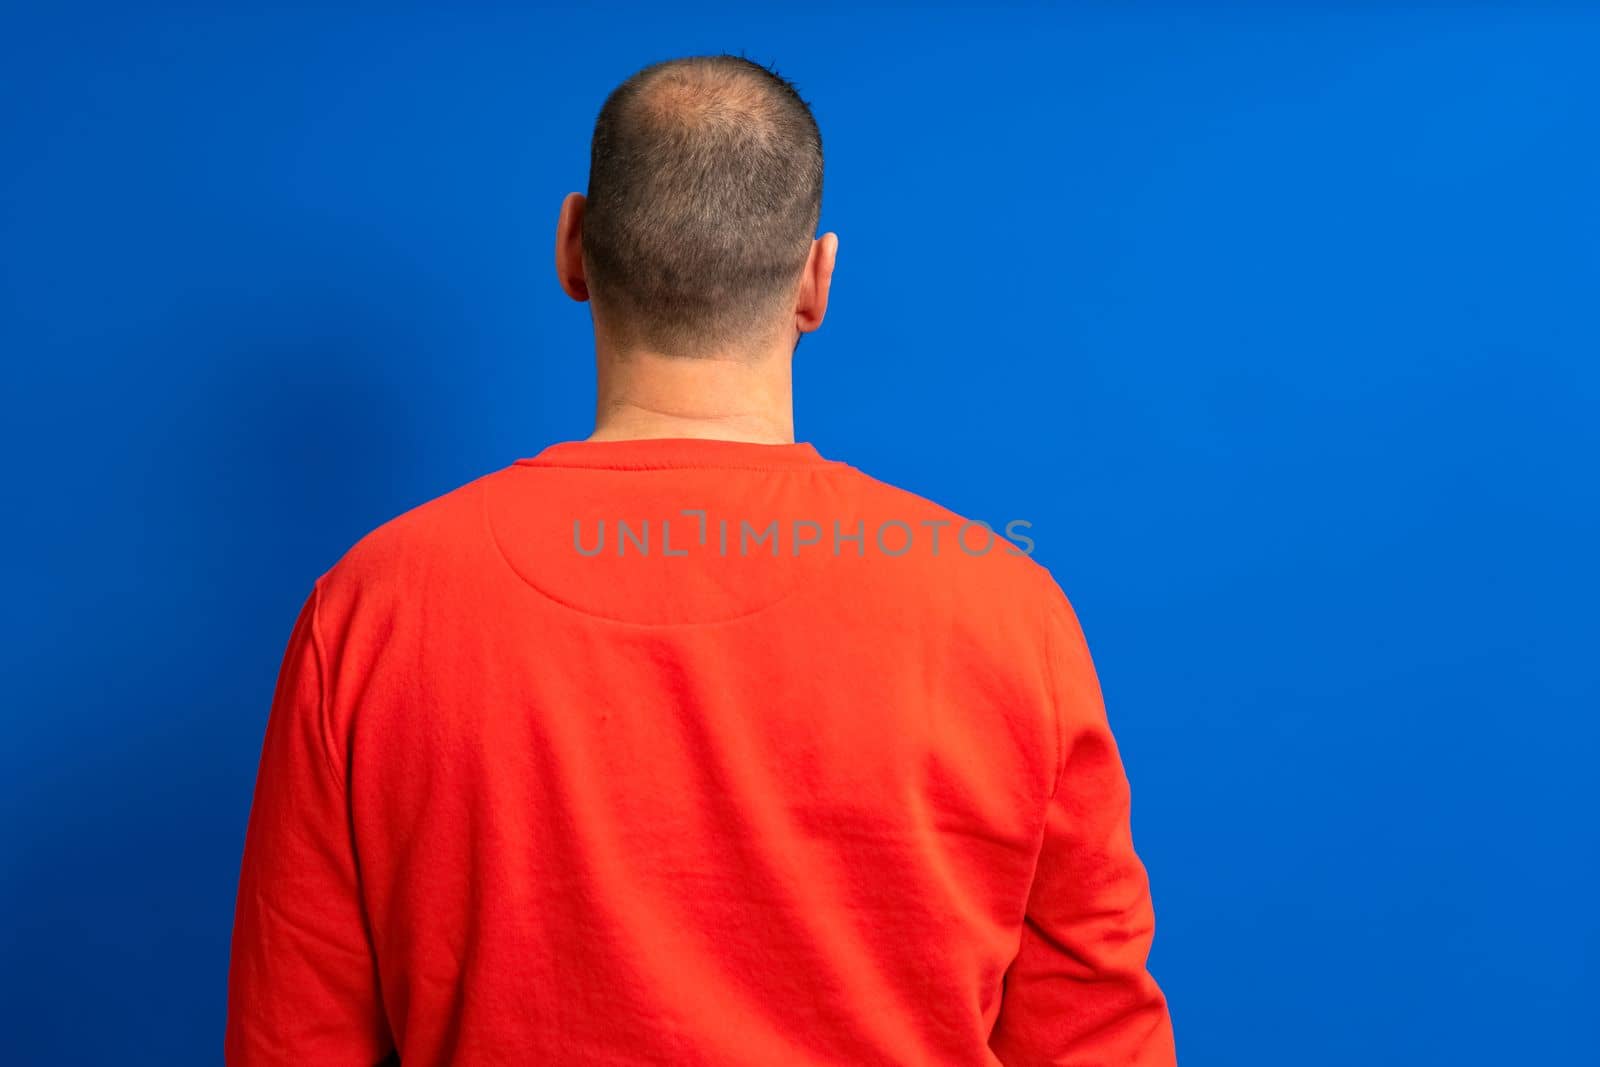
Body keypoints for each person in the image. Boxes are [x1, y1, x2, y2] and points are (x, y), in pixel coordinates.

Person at [225, 53, 1177, 1066]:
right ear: (817, 279)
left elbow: (296, 1036)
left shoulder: (373, 606)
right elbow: (1093, 1035)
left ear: (573, 248)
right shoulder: (1005, 608)